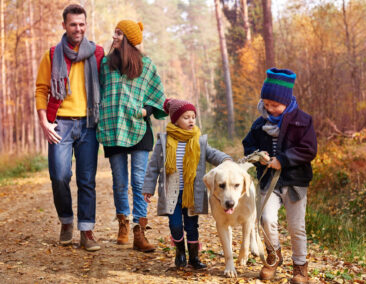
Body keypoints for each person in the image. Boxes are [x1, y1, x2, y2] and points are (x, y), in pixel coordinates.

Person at [35, 4, 104, 251]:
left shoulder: (97, 54)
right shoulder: (52, 53)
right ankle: (66, 220)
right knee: (59, 176)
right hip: (60, 124)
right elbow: (42, 89)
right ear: (64, 25)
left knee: (87, 180)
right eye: (73, 24)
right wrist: (44, 122)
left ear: (86, 25)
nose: (78, 28)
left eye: (82, 24)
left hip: (88, 124)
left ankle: (86, 231)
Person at [96, 20, 166, 252]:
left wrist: (145, 110)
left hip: (138, 129)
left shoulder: (146, 65)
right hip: (113, 128)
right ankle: (123, 224)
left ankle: (139, 231)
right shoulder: (105, 63)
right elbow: (99, 92)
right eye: (114, 32)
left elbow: (158, 96)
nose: (113, 37)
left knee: (138, 181)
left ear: (128, 39)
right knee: (119, 182)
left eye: (118, 33)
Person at [242, 68, 317, 283]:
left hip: (295, 182)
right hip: (268, 182)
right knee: (266, 219)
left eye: (275, 105)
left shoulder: (303, 121)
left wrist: (282, 160)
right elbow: (248, 146)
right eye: (266, 104)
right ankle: (273, 257)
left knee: (296, 227)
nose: (270, 109)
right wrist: (258, 156)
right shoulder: (259, 124)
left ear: (286, 101)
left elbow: (309, 149)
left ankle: (300, 268)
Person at [142, 98, 231, 269]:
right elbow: (153, 166)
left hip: (192, 192)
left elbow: (212, 154)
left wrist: (226, 159)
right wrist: (148, 188)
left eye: (193, 117)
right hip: (171, 192)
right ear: (175, 120)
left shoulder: (198, 140)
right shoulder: (164, 140)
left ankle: (194, 258)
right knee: (175, 225)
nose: (191, 120)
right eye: (186, 117)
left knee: (192, 226)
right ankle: (180, 252)